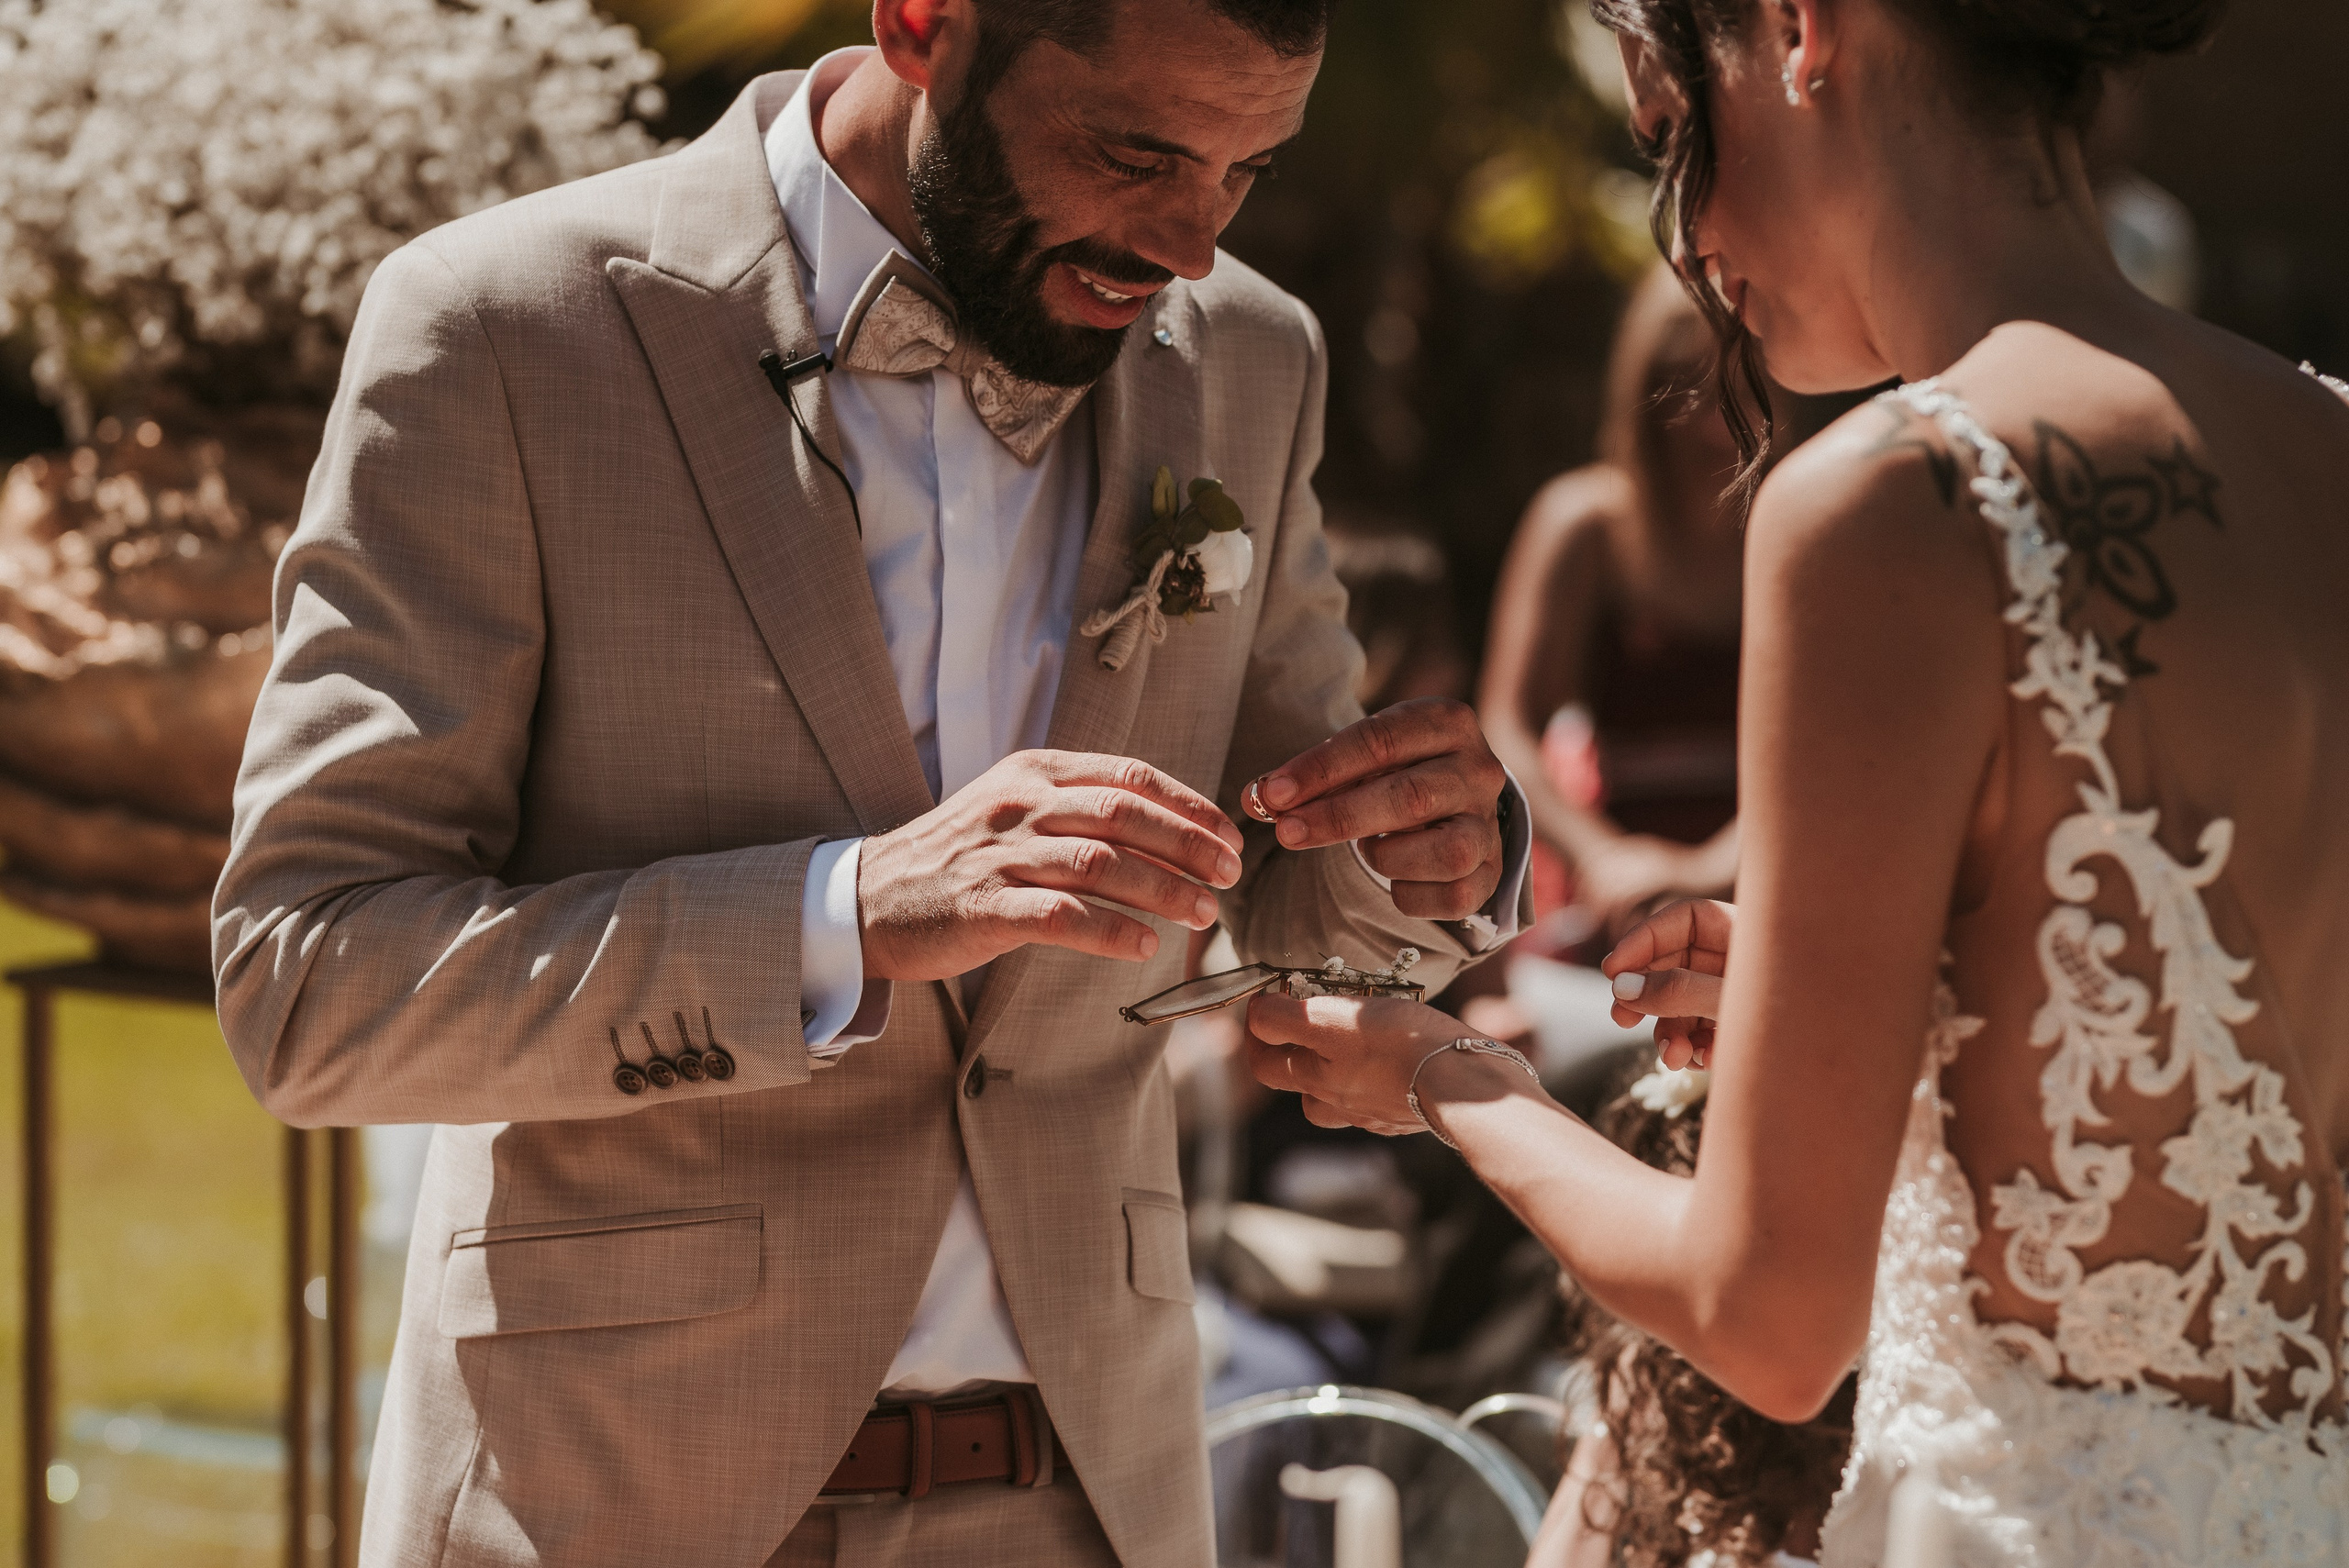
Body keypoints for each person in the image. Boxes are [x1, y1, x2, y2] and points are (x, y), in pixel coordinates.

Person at [210, 2, 1533, 1563]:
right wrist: (844, 914)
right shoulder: (504, 326)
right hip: (614, 1495)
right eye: (1136, 156)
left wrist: (1417, 857)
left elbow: (1295, 874)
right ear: (923, 24)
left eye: (1244, 171)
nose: (1191, 243)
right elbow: (312, 982)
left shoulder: (1251, 353)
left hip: (1086, 1499)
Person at [1241, 0, 2349, 1561]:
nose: (1687, 238)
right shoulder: (2325, 443)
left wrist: (1442, 1072)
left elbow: (1769, 1320)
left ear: (1798, 27)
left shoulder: (1896, 506)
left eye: (1668, 140)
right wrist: (1887, 1032)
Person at [1481, 263, 1745, 943]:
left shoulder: (1800, 520)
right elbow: (1507, 729)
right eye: (1690, 379)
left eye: (1743, 377)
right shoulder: (1587, 526)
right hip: (1620, 900)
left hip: (1766, 884)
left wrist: (1709, 870)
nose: (1715, 420)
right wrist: (1601, 855)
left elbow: (1829, 754)